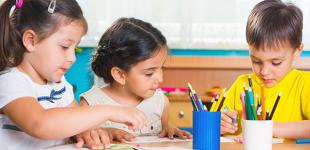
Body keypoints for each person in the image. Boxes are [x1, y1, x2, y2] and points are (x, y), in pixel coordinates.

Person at [0, 0, 147, 149]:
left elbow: (74, 121)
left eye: (74, 48)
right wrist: (109, 111)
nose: (72, 58)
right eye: (64, 47)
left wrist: (96, 132)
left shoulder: (59, 83)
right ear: (31, 41)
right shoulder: (10, 81)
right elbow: (40, 124)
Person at [79, 17, 192, 147]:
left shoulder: (160, 102)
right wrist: (106, 132)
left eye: (161, 69)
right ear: (120, 75)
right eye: (149, 73)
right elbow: (78, 137)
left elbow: (164, 132)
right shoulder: (91, 103)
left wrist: (169, 129)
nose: (160, 79)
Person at [221, 0, 310, 141]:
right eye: (256, 61)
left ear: (297, 51)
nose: (264, 71)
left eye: (276, 62)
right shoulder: (242, 85)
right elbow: (218, 119)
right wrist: (219, 122)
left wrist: (268, 128)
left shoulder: (304, 84)